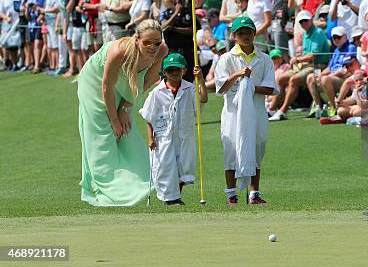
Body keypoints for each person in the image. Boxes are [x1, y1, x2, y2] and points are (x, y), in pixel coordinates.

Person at [78, 19, 168, 206]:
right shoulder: (119, 51)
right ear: (137, 39)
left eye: (156, 42)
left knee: (126, 131)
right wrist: (114, 119)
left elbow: (146, 81)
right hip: (95, 82)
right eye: (147, 43)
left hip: (127, 84)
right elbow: (106, 86)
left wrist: (126, 108)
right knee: (104, 132)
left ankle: (139, 179)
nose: (153, 47)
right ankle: (105, 186)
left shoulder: (162, 51)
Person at [215, 17, 277, 205]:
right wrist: (238, 75)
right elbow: (221, 88)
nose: (245, 36)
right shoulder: (226, 59)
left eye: (248, 32)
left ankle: (254, 194)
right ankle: (231, 195)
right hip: (233, 113)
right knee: (232, 151)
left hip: (257, 111)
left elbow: (270, 88)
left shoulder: (265, 59)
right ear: (234, 36)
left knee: (257, 148)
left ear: (254, 33)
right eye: (241, 33)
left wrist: (249, 86)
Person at [140, 53, 207, 206]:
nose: (175, 73)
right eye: (171, 70)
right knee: (165, 167)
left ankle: (175, 197)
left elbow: (203, 99)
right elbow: (148, 116)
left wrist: (201, 79)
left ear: (184, 70)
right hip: (164, 136)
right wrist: (150, 138)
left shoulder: (190, 88)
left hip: (185, 134)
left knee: (183, 167)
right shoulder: (156, 93)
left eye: (178, 69)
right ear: (164, 72)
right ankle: (171, 199)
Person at [269, 11, 330, 121]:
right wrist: (299, 55)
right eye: (301, 22)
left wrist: (297, 59)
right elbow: (306, 54)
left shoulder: (318, 32)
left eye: (305, 20)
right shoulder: (306, 34)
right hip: (305, 65)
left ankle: (283, 111)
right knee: (281, 79)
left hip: (318, 66)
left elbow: (313, 56)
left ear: (311, 20)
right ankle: (272, 108)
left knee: (294, 79)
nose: (303, 23)